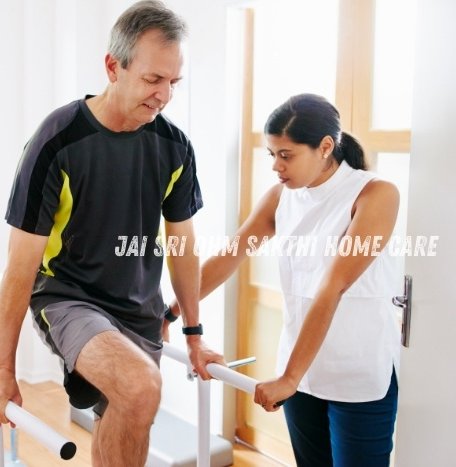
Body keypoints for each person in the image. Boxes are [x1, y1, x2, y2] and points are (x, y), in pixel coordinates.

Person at [0, 1, 224, 465]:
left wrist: (193, 333)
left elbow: (183, 246)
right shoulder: (59, 139)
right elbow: (21, 262)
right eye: (154, 79)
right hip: (68, 296)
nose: (165, 95)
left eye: (174, 82)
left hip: (138, 307)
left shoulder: (173, 147)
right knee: (141, 386)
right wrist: (1, 369)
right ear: (113, 66)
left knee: (128, 411)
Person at [163, 93, 400, 467]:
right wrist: (171, 313)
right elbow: (230, 257)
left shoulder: (374, 194)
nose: (275, 166)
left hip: (356, 373)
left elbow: (333, 286)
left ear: (325, 147)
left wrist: (288, 377)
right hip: (301, 372)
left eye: (285, 155)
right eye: (271, 154)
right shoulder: (281, 197)